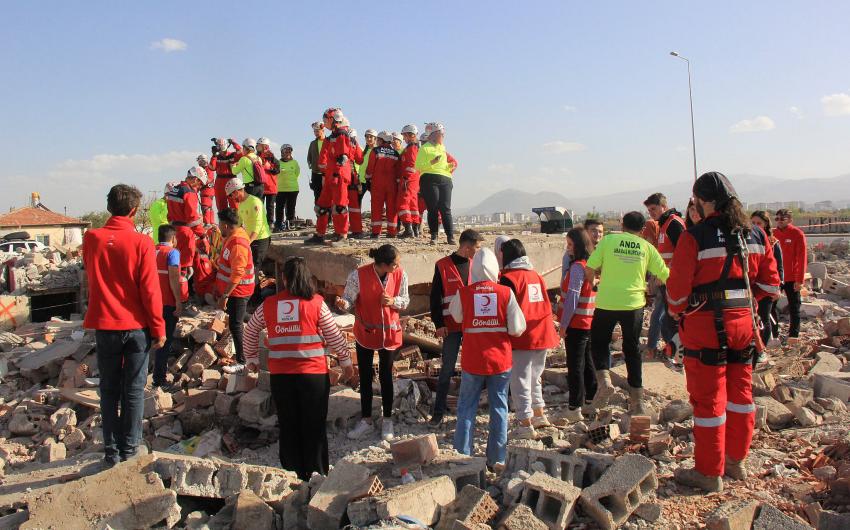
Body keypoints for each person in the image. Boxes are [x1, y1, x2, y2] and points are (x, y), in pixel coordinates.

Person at [667, 172, 780, 492]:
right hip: (745, 326)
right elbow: (771, 286)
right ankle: (736, 462)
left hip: (705, 329)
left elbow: (676, 296)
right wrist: (743, 302)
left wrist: (684, 312)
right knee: (741, 395)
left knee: (708, 401)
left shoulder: (695, 236)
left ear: (703, 202)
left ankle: (709, 472)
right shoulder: (756, 235)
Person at [243, 257, 354, 480]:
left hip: (282, 376)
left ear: (284, 279)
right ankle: (316, 473)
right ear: (307, 278)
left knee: (288, 423)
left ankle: (291, 475)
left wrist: (251, 359)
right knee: (314, 424)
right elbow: (333, 335)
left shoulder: (270, 304)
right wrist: (346, 362)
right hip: (312, 375)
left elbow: (250, 330)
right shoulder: (316, 303)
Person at [83, 184, 165, 466]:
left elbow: (91, 277)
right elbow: (150, 290)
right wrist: (159, 328)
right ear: (134, 211)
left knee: (108, 390)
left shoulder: (92, 238)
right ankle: (131, 449)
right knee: (133, 390)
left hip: (105, 325)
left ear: (109, 208)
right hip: (136, 328)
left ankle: (112, 452)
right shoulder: (142, 242)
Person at [448, 248, 526, 470]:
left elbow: (456, 316)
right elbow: (518, 328)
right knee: (499, 408)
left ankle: (463, 455)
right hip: (500, 360)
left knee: (466, 408)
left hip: (473, 360)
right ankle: (497, 457)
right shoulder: (505, 293)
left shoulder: (464, 293)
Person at [586, 211, 669, 415]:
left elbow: (590, 267)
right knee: (631, 349)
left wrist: (593, 283)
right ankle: (637, 401)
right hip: (633, 305)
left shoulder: (609, 241)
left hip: (607, 302)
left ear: (622, 225)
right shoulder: (647, 247)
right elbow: (665, 274)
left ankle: (604, 381)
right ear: (642, 230)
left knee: (598, 342)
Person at [336, 244, 409, 441]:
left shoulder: (401, 274)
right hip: (366, 333)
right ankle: (366, 420)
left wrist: (393, 301)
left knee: (386, 376)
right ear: (383, 264)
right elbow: (348, 300)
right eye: (394, 264)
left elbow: (405, 300)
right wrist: (343, 304)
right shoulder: (357, 276)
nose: (398, 267)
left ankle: (387, 419)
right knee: (366, 376)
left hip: (390, 333)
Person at [500, 239, 559, 439]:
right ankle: (539, 414)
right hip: (542, 333)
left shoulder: (509, 278)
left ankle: (525, 424)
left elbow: (506, 310)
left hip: (522, 336)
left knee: (520, 381)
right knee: (535, 377)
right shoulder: (536, 276)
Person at [429, 229, 484, 426]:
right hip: (451, 327)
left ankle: (469, 410)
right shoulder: (442, 266)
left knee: (473, 368)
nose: (478, 252)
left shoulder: (477, 265)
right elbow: (435, 298)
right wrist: (439, 324)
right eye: (476, 248)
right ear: (467, 247)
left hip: (472, 327)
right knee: (447, 370)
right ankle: (438, 412)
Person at [558, 226, 597, 422]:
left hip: (576, 323)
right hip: (588, 322)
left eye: (571, 244)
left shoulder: (577, 268)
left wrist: (563, 324)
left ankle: (574, 407)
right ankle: (590, 401)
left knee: (575, 366)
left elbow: (573, 296)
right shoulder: (591, 266)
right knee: (587, 363)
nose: (568, 248)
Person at [305, 108, 359, 245]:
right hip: (330, 175)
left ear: (333, 119)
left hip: (339, 176)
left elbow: (343, 157)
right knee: (322, 206)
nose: (324, 123)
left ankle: (342, 236)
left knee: (340, 206)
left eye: (325, 120)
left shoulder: (342, 135)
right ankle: (320, 234)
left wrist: (336, 173)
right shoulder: (332, 137)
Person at [644, 193, 686, 360]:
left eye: (653, 209)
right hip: (665, 279)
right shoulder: (664, 225)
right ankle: (672, 351)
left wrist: (670, 274)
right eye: (649, 210)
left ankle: (677, 353)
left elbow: (683, 253)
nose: (651, 213)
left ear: (663, 206)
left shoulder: (673, 224)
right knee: (665, 318)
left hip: (671, 280)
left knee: (670, 319)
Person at [214, 208, 255, 375]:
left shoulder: (237, 242)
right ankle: (263, 322)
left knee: (235, 325)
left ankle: (242, 361)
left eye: (219, 224)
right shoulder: (233, 237)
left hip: (239, 290)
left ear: (225, 225)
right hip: (235, 290)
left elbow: (238, 272)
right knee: (238, 316)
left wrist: (225, 295)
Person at [152, 224, 187, 391]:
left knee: (148, 340)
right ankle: (159, 379)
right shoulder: (173, 253)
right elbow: (173, 278)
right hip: (166, 303)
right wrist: (178, 302)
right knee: (164, 342)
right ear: (173, 239)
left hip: (150, 303)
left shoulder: (151, 251)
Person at [225, 177, 271, 304]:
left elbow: (257, 226)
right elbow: (240, 223)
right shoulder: (241, 204)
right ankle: (250, 297)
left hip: (260, 239)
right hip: (248, 239)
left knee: (254, 269)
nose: (232, 198)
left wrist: (246, 243)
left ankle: (255, 301)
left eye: (232, 195)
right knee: (247, 267)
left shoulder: (255, 202)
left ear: (237, 191)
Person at [416, 122, 458, 245]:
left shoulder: (442, 148)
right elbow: (418, 166)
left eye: (443, 134)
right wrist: (432, 162)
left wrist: (449, 166)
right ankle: (434, 236)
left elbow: (443, 165)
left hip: (445, 179)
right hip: (429, 179)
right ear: (433, 135)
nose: (443, 136)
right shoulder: (424, 148)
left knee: (446, 209)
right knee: (433, 208)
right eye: (441, 134)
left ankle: (450, 237)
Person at [752, 211, 784, 346]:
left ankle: (763, 348)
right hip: (753, 287)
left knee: (764, 317)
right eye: (753, 223)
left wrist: (778, 287)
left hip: (767, 287)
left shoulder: (773, 242)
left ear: (765, 225)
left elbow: (779, 267)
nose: (756, 226)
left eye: (759, 223)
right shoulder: (749, 240)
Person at [774, 208, 807, 339]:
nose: (779, 221)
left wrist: (799, 280)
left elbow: (802, 258)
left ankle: (793, 335)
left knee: (794, 307)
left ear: (790, 220)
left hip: (791, 278)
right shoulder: (772, 234)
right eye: (777, 219)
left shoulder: (797, 234)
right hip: (775, 277)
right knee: (771, 307)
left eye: (782, 219)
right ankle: (773, 334)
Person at [166, 166, 207, 272]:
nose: (199, 188)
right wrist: (203, 236)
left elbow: (169, 215)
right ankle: (183, 288)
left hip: (173, 232)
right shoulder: (189, 192)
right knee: (184, 267)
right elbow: (192, 218)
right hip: (185, 234)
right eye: (200, 184)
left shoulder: (174, 190)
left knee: (174, 265)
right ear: (196, 179)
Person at [366, 132, 401, 239]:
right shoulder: (395, 153)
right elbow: (398, 170)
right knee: (392, 208)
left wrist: (368, 179)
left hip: (378, 184)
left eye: (378, 139)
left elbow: (370, 168)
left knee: (376, 207)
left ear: (382, 140)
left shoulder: (375, 151)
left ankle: (376, 232)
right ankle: (392, 232)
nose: (377, 141)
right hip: (392, 185)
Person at [397, 125, 421, 239]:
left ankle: (408, 230)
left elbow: (411, 165)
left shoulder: (412, 148)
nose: (403, 138)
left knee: (402, 203)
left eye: (404, 136)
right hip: (414, 180)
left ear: (409, 135)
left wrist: (406, 179)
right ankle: (415, 230)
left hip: (409, 179)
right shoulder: (415, 147)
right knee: (412, 205)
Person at [210, 138, 242, 212]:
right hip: (220, 182)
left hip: (231, 181)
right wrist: (214, 155)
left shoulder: (232, 155)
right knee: (221, 206)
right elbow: (212, 167)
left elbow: (241, 153)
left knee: (235, 205)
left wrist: (234, 143)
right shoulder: (216, 157)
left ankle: (237, 223)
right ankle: (223, 222)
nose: (221, 151)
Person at [275, 144, 300, 232]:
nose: (288, 152)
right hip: (280, 189)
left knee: (291, 207)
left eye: (289, 151)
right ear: (282, 152)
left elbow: (297, 173)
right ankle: (278, 225)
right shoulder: (278, 163)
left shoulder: (295, 162)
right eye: (286, 151)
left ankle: (290, 224)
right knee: (279, 208)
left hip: (293, 189)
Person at [257, 137, 281, 225]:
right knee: (259, 206)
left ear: (265, 147)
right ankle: (260, 223)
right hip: (260, 186)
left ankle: (270, 223)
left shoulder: (272, 158)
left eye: (259, 145)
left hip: (271, 186)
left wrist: (269, 167)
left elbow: (277, 170)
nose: (257, 147)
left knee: (270, 207)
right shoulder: (256, 157)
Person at [307, 122, 325, 204]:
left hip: (327, 174)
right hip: (315, 174)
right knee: (317, 197)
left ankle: (329, 216)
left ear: (323, 130)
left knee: (328, 196)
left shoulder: (329, 142)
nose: (316, 133)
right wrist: (311, 164)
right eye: (314, 131)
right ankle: (319, 216)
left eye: (317, 131)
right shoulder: (312, 143)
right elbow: (309, 157)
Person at [358, 129, 377, 207]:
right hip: (362, 181)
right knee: (357, 200)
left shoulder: (377, 151)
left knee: (376, 201)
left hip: (373, 180)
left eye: (371, 137)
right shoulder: (364, 151)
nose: (368, 139)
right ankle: (357, 218)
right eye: (367, 137)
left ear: (375, 138)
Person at [197, 155, 217, 226]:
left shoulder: (208, 169)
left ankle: (207, 223)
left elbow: (207, 180)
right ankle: (211, 222)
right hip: (208, 190)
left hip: (207, 190)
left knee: (206, 207)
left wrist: (198, 184)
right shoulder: (207, 168)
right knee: (209, 207)